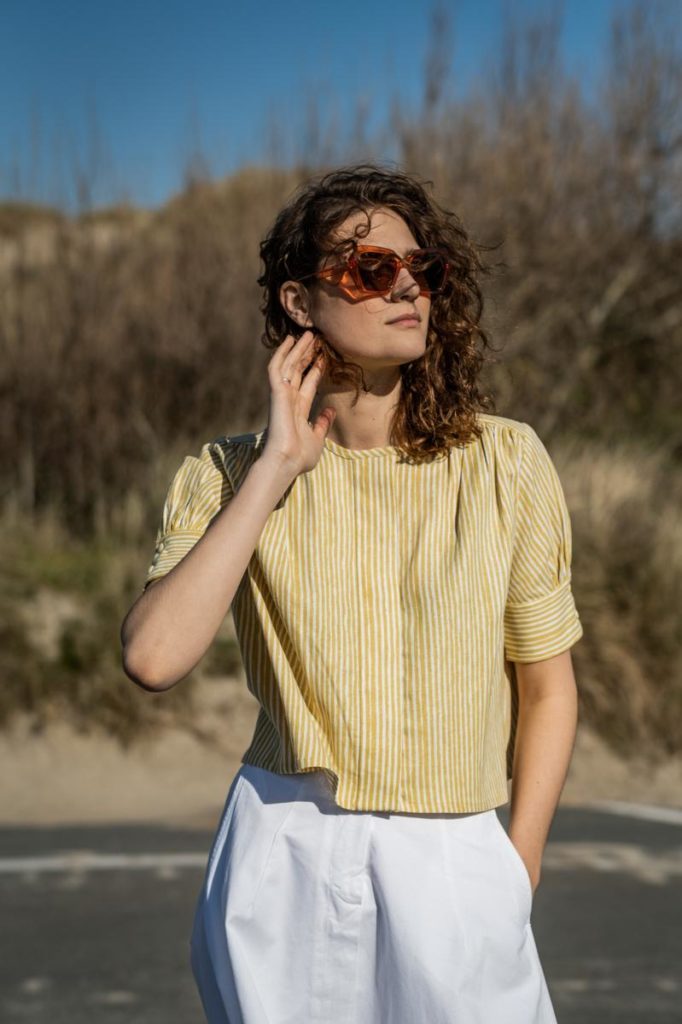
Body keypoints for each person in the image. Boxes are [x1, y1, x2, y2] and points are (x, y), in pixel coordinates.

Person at [121, 162, 584, 1023]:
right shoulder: (227, 474)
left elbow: (547, 688)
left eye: (423, 269)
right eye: (372, 269)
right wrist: (275, 469)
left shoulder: (504, 462)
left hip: (455, 856)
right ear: (299, 302)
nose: (407, 287)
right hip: (281, 856)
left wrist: (515, 868)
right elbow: (153, 658)